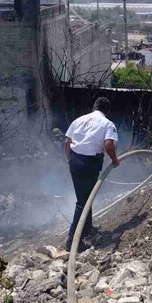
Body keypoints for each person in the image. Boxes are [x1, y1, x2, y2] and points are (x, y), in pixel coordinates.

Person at [64, 97, 120, 252]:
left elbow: (67, 142)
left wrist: (71, 160)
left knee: (86, 197)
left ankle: (87, 228)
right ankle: (72, 241)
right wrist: (114, 160)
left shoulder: (79, 120)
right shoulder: (108, 124)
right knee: (83, 202)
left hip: (75, 161)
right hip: (89, 164)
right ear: (107, 111)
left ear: (94, 106)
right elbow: (108, 144)